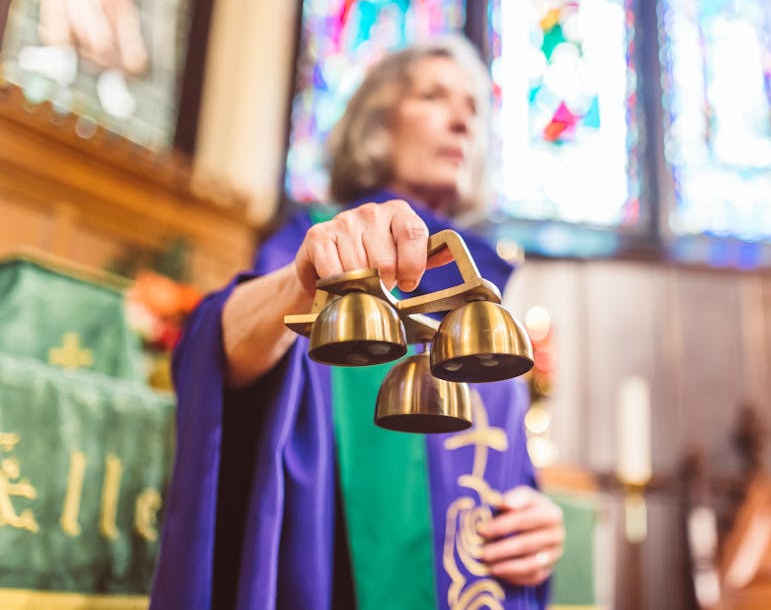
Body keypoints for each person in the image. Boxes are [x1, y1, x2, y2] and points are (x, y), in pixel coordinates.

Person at [150, 36, 564, 610]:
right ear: (378, 123)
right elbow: (217, 355)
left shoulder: (482, 288)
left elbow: (504, 466)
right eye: (434, 97)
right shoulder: (317, 239)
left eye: (473, 108)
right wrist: (308, 277)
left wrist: (538, 521)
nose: (463, 122)